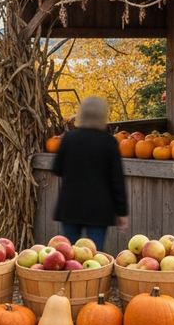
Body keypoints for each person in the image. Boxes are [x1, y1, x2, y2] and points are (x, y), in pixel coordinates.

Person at [51, 96, 128, 250]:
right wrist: (122, 212)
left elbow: (57, 169)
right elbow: (117, 180)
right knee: (95, 256)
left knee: (68, 254)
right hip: (99, 209)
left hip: (71, 206)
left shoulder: (69, 139)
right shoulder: (109, 142)